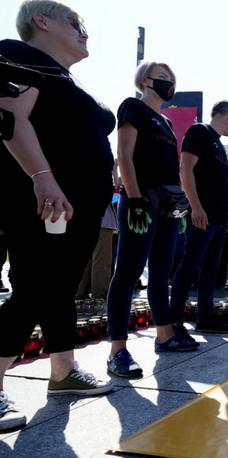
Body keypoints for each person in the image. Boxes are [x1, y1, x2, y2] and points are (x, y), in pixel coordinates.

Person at [0, 1, 114, 431]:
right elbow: (10, 118)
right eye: (76, 23)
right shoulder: (21, 55)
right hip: (46, 200)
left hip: (73, 204)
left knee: (58, 287)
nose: (84, 32)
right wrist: (42, 177)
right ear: (41, 21)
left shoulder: (62, 76)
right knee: (35, 285)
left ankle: (64, 372)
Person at [106, 60, 198, 379]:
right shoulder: (132, 107)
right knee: (128, 272)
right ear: (145, 81)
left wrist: (179, 207)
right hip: (141, 199)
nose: (169, 83)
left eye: (172, 79)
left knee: (161, 270)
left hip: (167, 204)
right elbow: (124, 156)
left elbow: (170, 169)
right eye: (163, 78)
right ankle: (117, 350)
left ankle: (165, 336)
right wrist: (134, 199)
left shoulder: (167, 122)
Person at [170, 100, 228, 333]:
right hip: (202, 215)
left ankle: (206, 318)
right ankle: (174, 321)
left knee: (211, 270)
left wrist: (226, 215)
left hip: (218, 218)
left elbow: (218, 185)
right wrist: (196, 207)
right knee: (190, 265)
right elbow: (185, 170)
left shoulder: (218, 145)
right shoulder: (199, 131)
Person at [75, 203, 118, 303]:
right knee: (101, 261)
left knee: (88, 260)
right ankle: (100, 297)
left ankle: (80, 294)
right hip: (102, 219)